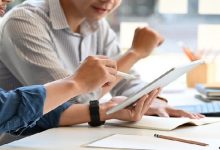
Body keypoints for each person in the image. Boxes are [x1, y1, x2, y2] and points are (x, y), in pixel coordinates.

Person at [0, 0, 204, 136]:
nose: (108, 1)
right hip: (28, 142)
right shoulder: (23, 21)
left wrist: (153, 102)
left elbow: (127, 79)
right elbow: (73, 97)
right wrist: (134, 53)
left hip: (74, 136)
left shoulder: (96, 23)